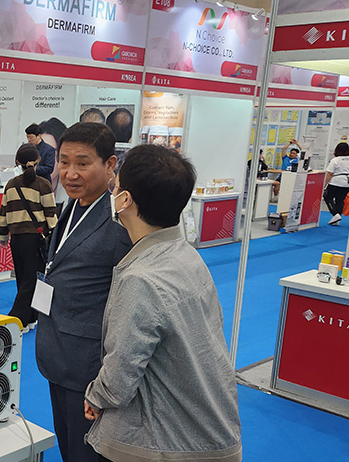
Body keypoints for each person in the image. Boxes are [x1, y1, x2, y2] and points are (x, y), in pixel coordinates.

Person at [83, 144, 242, 462]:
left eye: (116, 186)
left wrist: (96, 396)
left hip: (165, 441)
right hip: (208, 428)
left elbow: (121, 373)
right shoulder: (186, 255)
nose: (112, 191)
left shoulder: (141, 278)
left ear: (125, 200)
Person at [36, 122, 132, 462]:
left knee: (87, 453)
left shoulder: (120, 222)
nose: (70, 173)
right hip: (56, 353)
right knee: (68, 447)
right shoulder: (72, 207)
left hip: (88, 366)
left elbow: (128, 306)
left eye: (82, 163)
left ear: (110, 165)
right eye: (64, 162)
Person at [0, 144, 57, 331]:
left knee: (22, 277)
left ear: (17, 162)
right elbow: (50, 213)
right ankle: (19, 320)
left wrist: (3, 234)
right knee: (32, 279)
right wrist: (55, 236)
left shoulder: (11, 184)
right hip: (36, 238)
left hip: (16, 238)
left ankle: (30, 317)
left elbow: (3, 211)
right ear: (38, 160)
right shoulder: (43, 184)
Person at [323, 142, 349, 226]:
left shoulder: (335, 160)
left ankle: (335, 214)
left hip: (336, 182)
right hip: (348, 183)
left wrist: (324, 184)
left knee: (327, 197)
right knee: (340, 200)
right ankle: (336, 219)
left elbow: (329, 173)